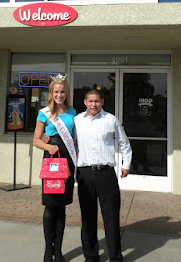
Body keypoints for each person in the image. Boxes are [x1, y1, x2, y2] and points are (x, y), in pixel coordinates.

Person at [74, 89, 132, 262]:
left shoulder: (110, 119)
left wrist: (126, 165)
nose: (93, 104)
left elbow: (124, 143)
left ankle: (115, 257)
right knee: (87, 218)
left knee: (111, 218)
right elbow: (68, 142)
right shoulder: (77, 121)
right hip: (85, 175)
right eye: (90, 101)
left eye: (97, 101)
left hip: (106, 174)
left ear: (102, 102)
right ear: (85, 102)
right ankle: (91, 256)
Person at [33, 74, 77, 262]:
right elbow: (36, 139)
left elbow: (76, 137)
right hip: (51, 160)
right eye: (56, 91)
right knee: (50, 205)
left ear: (66, 93)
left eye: (62, 91)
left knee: (62, 207)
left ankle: (58, 251)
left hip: (67, 159)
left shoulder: (73, 112)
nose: (59, 95)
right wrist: (48, 146)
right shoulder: (45, 113)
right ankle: (47, 250)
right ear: (51, 93)